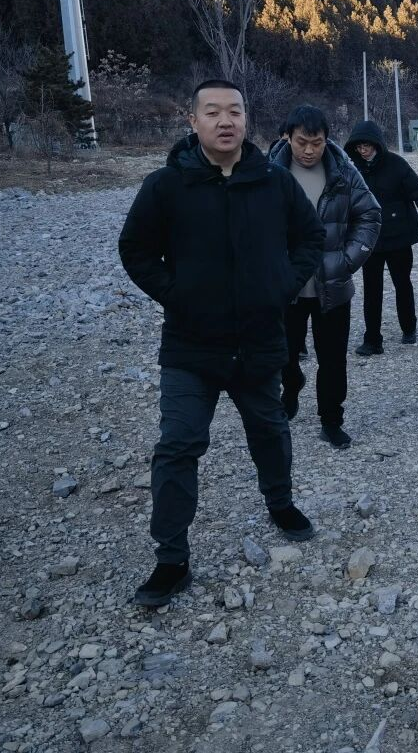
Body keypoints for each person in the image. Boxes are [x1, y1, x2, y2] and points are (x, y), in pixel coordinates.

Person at [118, 79, 325, 607]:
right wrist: (177, 295)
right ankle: (171, 558)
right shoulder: (166, 186)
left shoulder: (275, 182)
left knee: (270, 429)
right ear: (193, 121)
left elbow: (309, 238)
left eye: (234, 111)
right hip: (191, 344)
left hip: (258, 339)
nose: (225, 121)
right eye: (212, 112)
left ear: (246, 120)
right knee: (177, 445)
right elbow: (135, 250)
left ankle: (280, 502)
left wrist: (281, 286)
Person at [269, 106, 381, 449]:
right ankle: (291, 385)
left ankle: (331, 420)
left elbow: (370, 215)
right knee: (282, 354)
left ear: (326, 140)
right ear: (287, 138)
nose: (309, 150)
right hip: (284, 286)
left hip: (332, 286)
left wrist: (346, 262)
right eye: (301, 142)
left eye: (316, 143)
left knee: (332, 359)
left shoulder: (343, 171)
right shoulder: (269, 172)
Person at [343, 119, 418, 355]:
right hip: (369, 239)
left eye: (367, 145)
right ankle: (372, 340)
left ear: (377, 144)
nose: (363, 150)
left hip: (399, 236)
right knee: (372, 289)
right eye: (359, 146)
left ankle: (409, 327)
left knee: (402, 283)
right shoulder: (353, 170)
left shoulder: (396, 164)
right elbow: (345, 202)